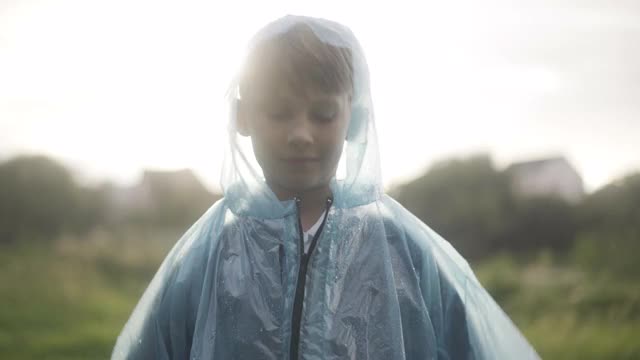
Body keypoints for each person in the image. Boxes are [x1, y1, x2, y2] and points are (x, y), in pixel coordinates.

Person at [112, 15, 540, 359]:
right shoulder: (211, 253)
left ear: (353, 119)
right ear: (242, 118)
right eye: (279, 113)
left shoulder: (400, 249)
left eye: (322, 114)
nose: (301, 134)